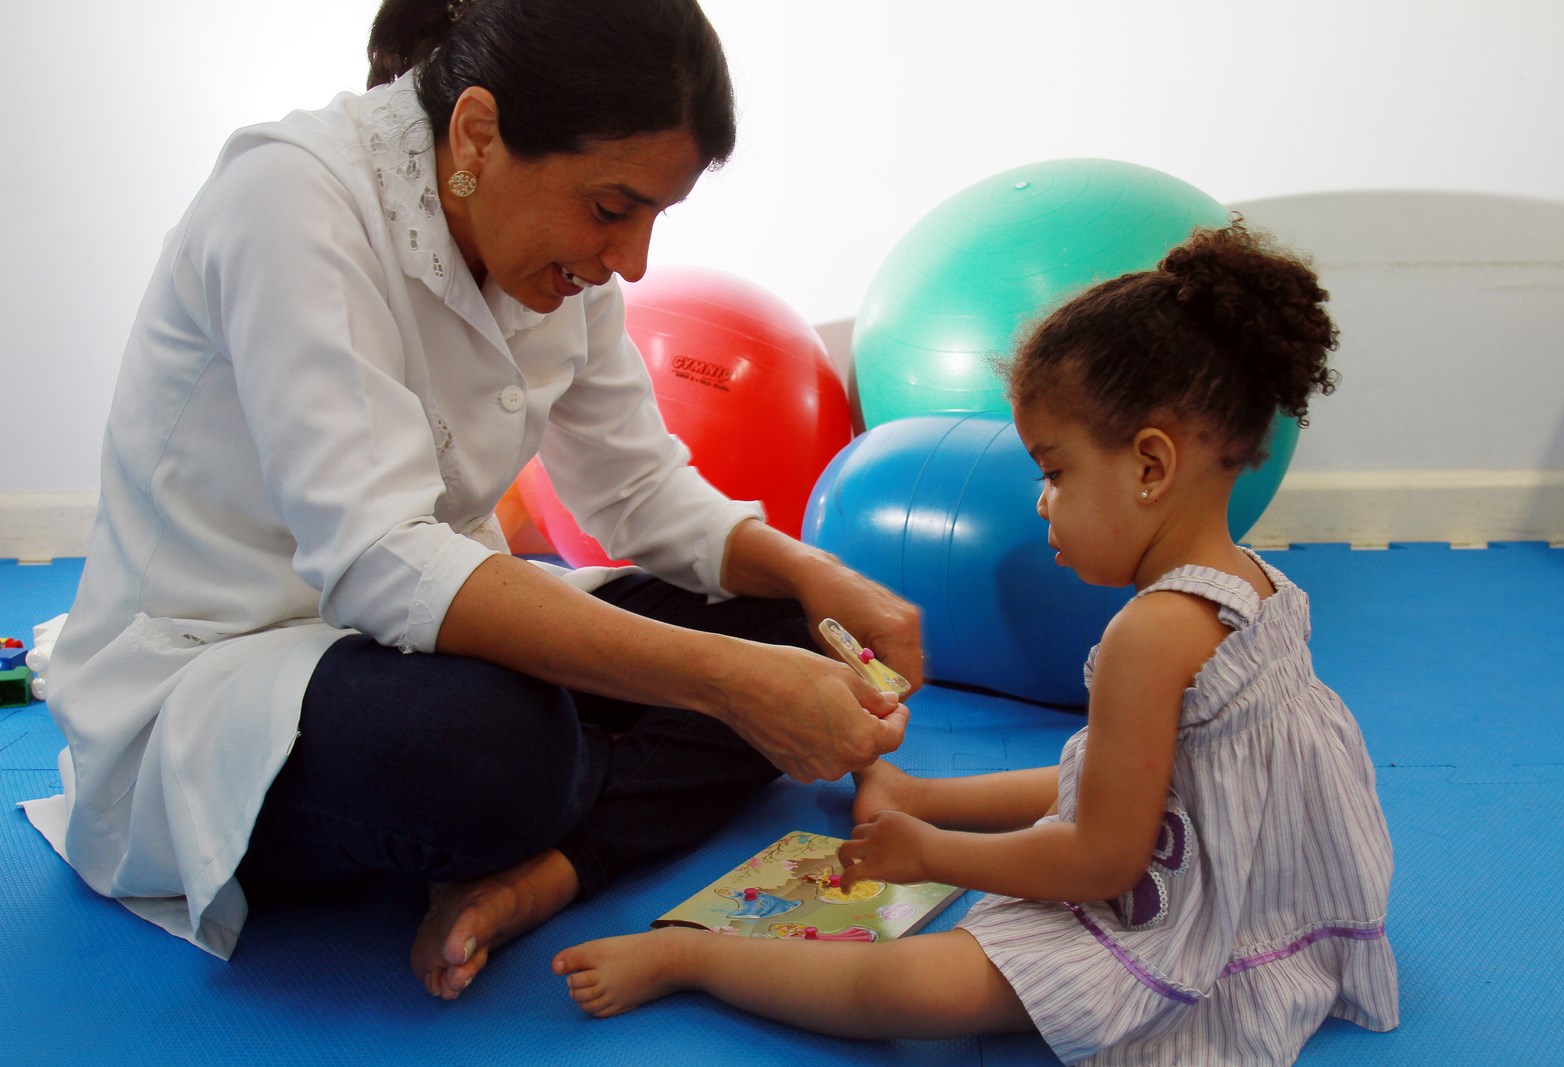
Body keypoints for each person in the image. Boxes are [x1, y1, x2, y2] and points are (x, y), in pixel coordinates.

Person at [21, 0, 920, 1002]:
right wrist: (723, 685)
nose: (633, 262)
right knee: (491, 753)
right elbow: (375, 558)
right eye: (614, 207)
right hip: (233, 670)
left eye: (655, 217)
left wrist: (815, 572)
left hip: (427, 637)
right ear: (478, 134)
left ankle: (548, 869)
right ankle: (569, 797)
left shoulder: (558, 257)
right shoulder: (290, 199)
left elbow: (636, 486)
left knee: (792, 628)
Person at [553, 221, 1400, 1065]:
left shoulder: (1151, 632)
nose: (1040, 503)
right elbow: (1142, 776)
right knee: (1101, 763)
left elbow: (1104, 855)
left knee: (904, 989)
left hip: (1184, 921)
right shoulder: (1260, 582)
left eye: (1054, 471)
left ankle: (694, 954)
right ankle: (915, 792)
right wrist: (923, 808)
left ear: (1150, 466)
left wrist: (933, 856)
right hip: (1275, 902)